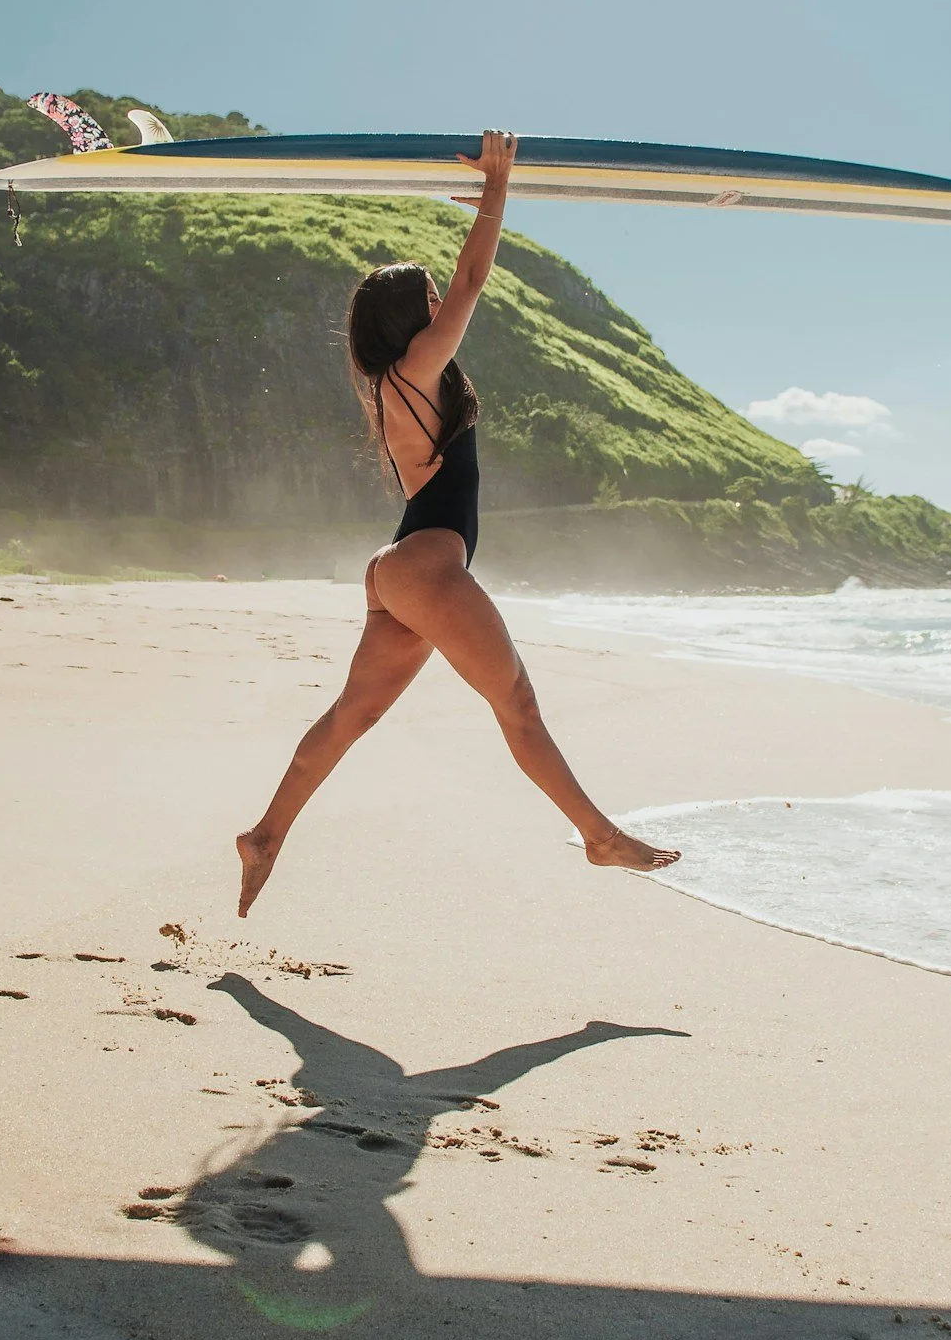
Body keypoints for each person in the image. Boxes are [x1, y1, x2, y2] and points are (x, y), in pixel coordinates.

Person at [237, 127, 680, 916]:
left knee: (352, 715)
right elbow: (474, 279)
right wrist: (496, 188)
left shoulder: (388, 382)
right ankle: (598, 835)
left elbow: (459, 291)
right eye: (430, 302)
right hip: (427, 562)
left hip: (399, 566)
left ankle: (266, 832)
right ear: (411, 316)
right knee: (517, 704)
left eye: (438, 302)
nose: (444, 305)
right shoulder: (413, 369)